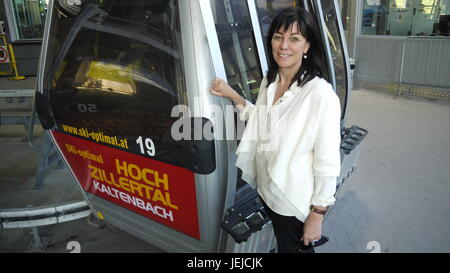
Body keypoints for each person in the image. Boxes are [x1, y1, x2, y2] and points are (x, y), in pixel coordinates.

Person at [210, 7, 341, 253]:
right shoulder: (271, 80)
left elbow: (327, 161)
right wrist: (233, 95)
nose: (284, 46)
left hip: (291, 200)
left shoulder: (320, 95)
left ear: (307, 46)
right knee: (284, 245)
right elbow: (261, 121)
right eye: (279, 37)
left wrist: (317, 214)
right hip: (268, 189)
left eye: (294, 39)